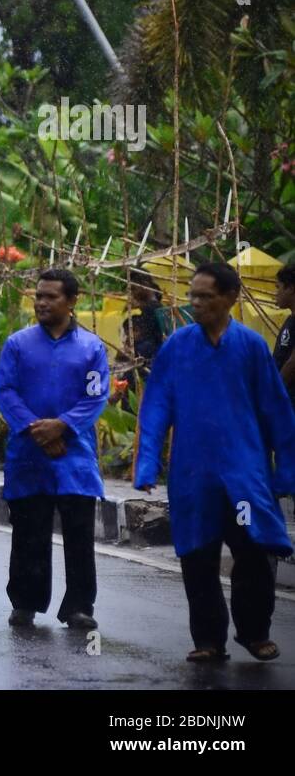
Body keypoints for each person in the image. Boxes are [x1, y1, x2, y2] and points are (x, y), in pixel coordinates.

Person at [135, 261, 295, 663]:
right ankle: (208, 640)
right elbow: (156, 406)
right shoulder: (177, 346)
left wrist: (286, 469)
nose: (197, 303)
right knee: (198, 558)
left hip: (244, 479)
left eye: (206, 296)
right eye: (193, 295)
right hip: (194, 478)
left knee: (255, 552)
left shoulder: (251, 347)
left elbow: (277, 409)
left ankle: (255, 632)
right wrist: (147, 464)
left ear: (230, 298)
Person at [0, 268, 108, 630]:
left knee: (78, 534)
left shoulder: (91, 348)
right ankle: (25, 603)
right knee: (29, 532)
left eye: (51, 297)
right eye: (38, 295)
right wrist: (35, 428)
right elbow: (6, 390)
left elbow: (95, 396)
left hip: (73, 455)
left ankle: (79, 606)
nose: (41, 302)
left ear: (72, 301)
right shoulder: (17, 344)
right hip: (28, 453)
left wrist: (61, 426)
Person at [273, 263, 295, 410]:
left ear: (291, 288)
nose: (276, 293)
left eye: (278, 287)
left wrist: (273, 392)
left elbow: (293, 363)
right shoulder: (290, 319)